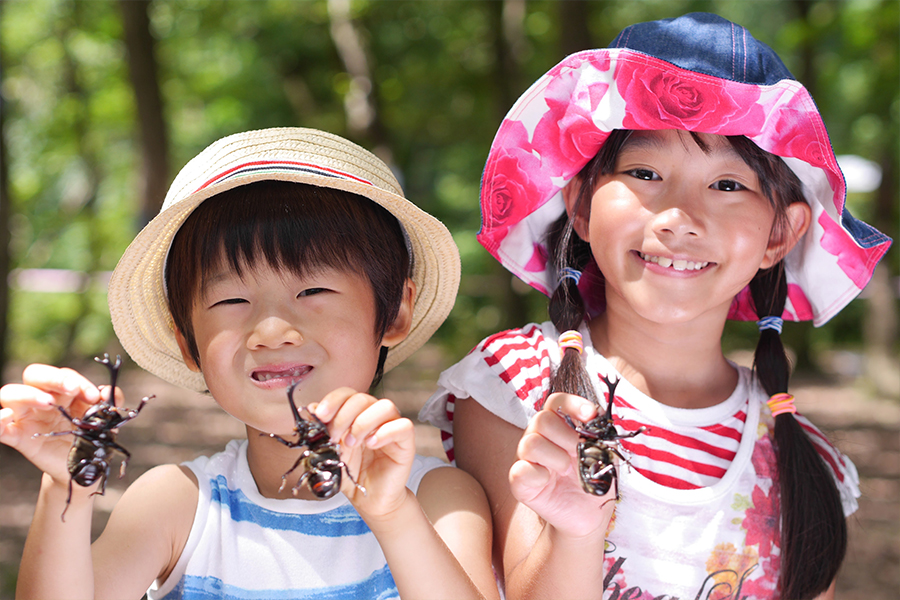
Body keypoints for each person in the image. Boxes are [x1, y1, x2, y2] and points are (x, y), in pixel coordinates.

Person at [418, 13, 892, 600]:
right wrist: (577, 532)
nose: (679, 216)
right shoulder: (514, 384)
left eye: (727, 185)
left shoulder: (802, 458)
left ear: (781, 233)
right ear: (582, 206)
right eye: (645, 172)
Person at [0, 127, 498, 600]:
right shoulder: (177, 505)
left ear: (396, 312)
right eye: (231, 300)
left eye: (314, 290)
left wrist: (394, 517)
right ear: (187, 341)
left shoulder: (438, 498)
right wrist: (67, 486)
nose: (272, 330)